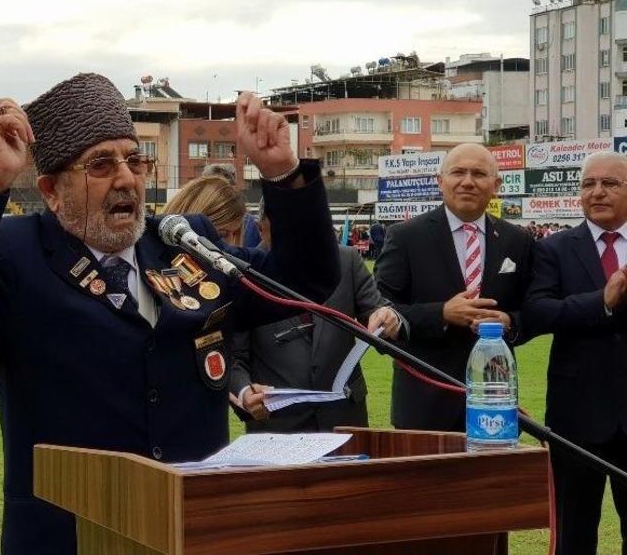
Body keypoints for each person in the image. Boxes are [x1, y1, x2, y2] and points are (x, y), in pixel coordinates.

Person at [0, 74, 339, 554]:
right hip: (72, 535)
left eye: (134, 159)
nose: (126, 177)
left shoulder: (183, 242)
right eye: (100, 164)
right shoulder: (15, 256)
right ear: (52, 190)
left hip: (192, 530)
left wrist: (283, 175)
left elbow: (303, 282)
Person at [375, 143, 533, 431]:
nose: (467, 181)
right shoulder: (406, 236)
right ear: (440, 181)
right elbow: (381, 309)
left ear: (496, 184)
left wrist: (508, 321)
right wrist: (442, 313)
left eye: (479, 174)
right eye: (458, 172)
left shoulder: (517, 240)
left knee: (489, 477)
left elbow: (533, 309)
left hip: (493, 400)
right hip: (424, 401)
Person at [524, 151, 627, 555]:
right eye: (588, 184)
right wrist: (600, 301)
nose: (597, 192)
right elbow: (537, 312)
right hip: (576, 417)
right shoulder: (555, 249)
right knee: (574, 533)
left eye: (610, 184)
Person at [229, 207, 404, 433]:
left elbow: (380, 311)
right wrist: (244, 392)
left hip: (345, 420)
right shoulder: (243, 275)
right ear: (261, 229)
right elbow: (233, 357)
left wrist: (390, 319)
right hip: (279, 427)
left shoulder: (346, 260)